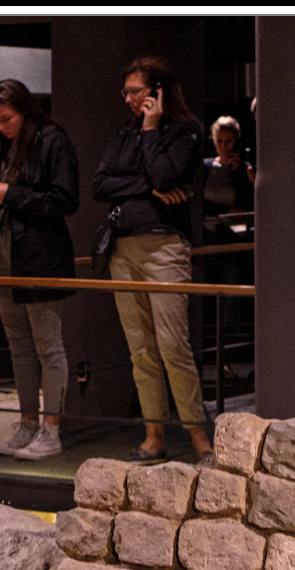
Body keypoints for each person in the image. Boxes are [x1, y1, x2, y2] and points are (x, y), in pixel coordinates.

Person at [91, 56, 214, 466]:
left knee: (172, 345)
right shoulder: (123, 132)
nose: (127, 99)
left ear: (158, 91)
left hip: (164, 247)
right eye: (125, 91)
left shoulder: (185, 131)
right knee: (140, 349)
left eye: (134, 91)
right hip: (122, 250)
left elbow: (167, 176)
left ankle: (199, 436)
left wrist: (149, 129)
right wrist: (148, 188)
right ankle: (154, 434)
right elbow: (100, 184)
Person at [0, 78, 79, 460]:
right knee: (19, 348)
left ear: (25, 110)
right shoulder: (8, 147)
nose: (1, 127)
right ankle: (28, 424)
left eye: (7, 119)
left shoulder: (54, 140)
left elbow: (65, 199)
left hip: (41, 257)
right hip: (5, 256)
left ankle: (51, 431)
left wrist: (11, 194)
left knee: (48, 347)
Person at [198, 115, 256, 388]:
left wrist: (238, 175)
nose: (223, 146)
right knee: (206, 303)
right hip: (208, 245)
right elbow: (198, 203)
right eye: (219, 141)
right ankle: (206, 361)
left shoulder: (243, 168)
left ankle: (228, 359)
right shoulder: (206, 167)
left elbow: (248, 206)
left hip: (233, 246)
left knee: (232, 305)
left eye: (228, 141)